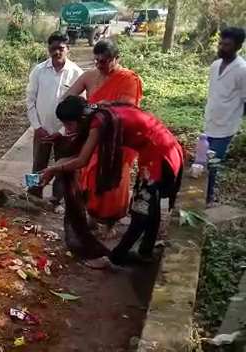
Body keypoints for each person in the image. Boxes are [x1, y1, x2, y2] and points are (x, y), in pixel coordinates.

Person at [41, 96, 183, 269]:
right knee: (148, 204)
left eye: (69, 124)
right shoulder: (96, 113)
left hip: (160, 155)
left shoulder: (97, 124)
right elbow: (74, 154)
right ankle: (145, 252)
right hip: (159, 149)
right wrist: (53, 168)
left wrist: (54, 169)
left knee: (142, 208)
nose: (67, 129)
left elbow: (81, 160)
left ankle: (117, 257)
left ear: (81, 119)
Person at [63, 39, 144, 238]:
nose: (100, 65)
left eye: (105, 61)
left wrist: (100, 106)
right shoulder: (90, 76)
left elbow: (127, 107)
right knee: (89, 177)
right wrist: (79, 108)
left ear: (117, 58)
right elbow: (69, 96)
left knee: (114, 180)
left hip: (118, 138)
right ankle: (92, 216)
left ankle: (109, 223)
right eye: (97, 60)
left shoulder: (129, 79)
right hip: (94, 135)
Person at [25, 31, 83, 212]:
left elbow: (80, 107)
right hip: (42, 130)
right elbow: (30, 100)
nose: (56, 52)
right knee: (38, 165)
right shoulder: (39, 71)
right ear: (48, 50)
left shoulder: (76, 73)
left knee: (62, 167)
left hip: (64, 134)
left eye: (60, 48)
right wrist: (38, 127)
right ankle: (34, 197)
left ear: (68, 49)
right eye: (53, 49)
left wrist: (63, 132)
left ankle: (57, 201)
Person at [203, 27, 246, 207]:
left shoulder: (242, 70)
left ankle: (208, 198)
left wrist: (236, 118)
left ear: (238, 46)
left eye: (227, 45)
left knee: (212, 162)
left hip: (226, 124)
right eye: (221, 43)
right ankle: (204, 194)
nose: (222, 47)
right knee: (203, 160)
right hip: (210, 121)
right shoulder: (214, 66)